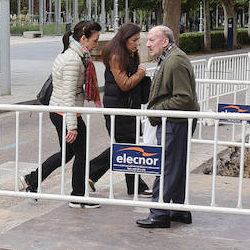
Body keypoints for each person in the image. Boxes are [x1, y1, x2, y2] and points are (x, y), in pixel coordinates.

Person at [23, 20, 97, 204]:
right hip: (66, 112)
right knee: (80, 155)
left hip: (61, 111)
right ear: (83, 38)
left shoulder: (74, 54)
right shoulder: (73, 60)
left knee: (67, 154)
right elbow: (69, 95)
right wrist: (73, 126)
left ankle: (32, 179)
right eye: (94, 40)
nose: (96, 44)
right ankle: (78, 197)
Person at [136, 24, 200, 228]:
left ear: (165, 41)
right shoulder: (171, 58)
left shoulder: (175, 61)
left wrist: (157, 111)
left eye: (151, 40)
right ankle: (178, 210)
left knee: (167, 167)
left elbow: (184, 98)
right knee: (175, 166)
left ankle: (159, 212)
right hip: (174, 121)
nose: (147, 44)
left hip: (174, 121)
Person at [88, 22, 151, 197]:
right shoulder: (116, 56)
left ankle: (94, 173)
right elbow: (124, 84)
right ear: (124, 39)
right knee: (126, 146)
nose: (137, 43)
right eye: (134, 40)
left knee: (127, 145)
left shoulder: (128, 53)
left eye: (138, 40)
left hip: (127, 107)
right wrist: (140, 73)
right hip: (119, 109)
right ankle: (93, 171)